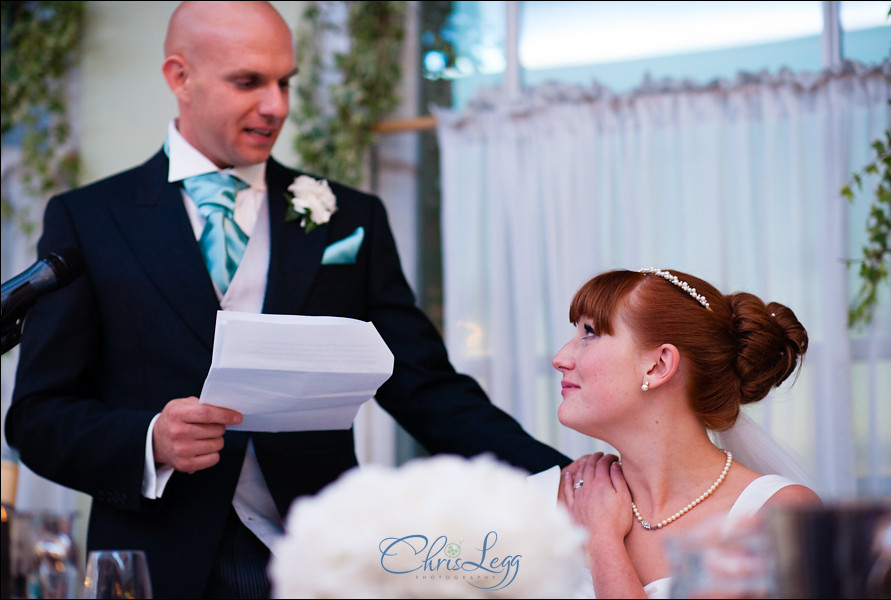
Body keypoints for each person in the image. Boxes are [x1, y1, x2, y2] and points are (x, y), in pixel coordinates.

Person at [3, 3, 571, 599]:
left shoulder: (350, 218)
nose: (277, 105)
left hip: (323, 560)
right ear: (179, 77)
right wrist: (150, 440)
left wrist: (561, 480)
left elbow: (427, 387)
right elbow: (39, 416)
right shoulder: (90, 220)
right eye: (248, 82)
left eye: (286, 82)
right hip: (158, 562)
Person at [552, 268, 821, 598]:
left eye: (589, 332)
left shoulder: (775, 517)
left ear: (659, 365)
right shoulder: (559, 497)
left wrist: (602, 540)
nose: (560, 358)